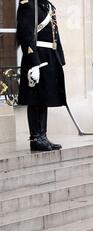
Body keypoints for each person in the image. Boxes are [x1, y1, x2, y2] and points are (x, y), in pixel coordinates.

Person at [17, 0, 66, 152]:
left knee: (44, 98)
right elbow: (26, 35)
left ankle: (43, 136)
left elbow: (55, 35)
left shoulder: (47, 6)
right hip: (36, 57)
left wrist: (59, 58)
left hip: (49, 56)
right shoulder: (28, 5)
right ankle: (35, 138)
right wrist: (34, 63)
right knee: (34, 99)